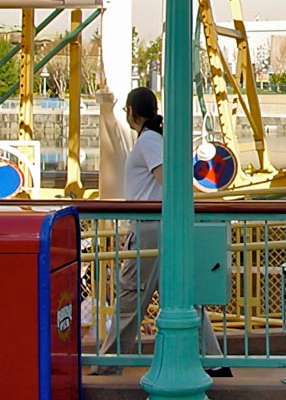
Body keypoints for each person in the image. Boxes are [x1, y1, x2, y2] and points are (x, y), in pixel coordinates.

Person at [95, 87, 231, 377]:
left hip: (149, 228)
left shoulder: (148, 142)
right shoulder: (158, 139)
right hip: (163, 226)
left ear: (131, 111)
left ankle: (109, 363)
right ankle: (214, 360)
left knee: (131, 296)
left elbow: (165, 180)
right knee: (185, 295)